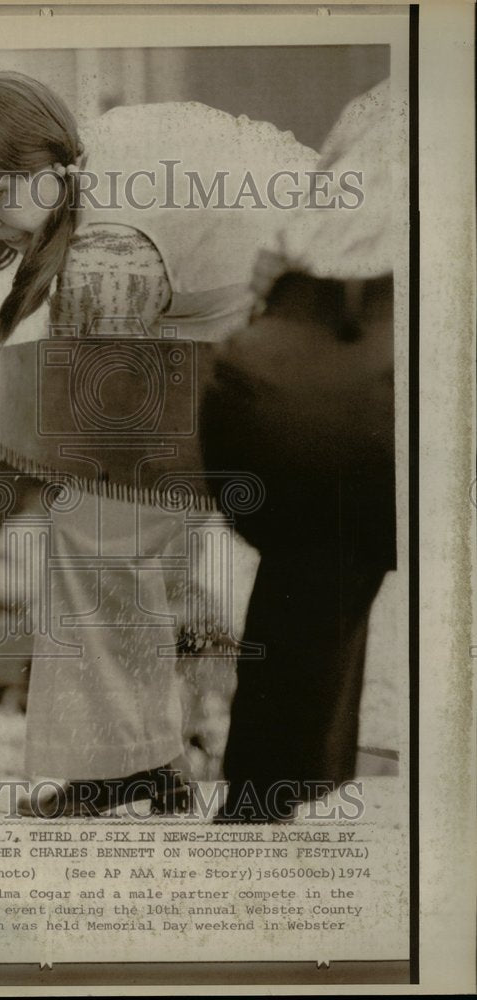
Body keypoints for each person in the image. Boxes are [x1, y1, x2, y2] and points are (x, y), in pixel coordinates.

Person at [0, 70, 320, 815]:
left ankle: (144, 762)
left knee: (105, 507)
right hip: (255, 303)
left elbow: (94, 420)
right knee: (104, 516)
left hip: (313, 313)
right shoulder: (89, 173)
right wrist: (4, 413)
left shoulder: (108, 250)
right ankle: (137, 761)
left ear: (46, 168)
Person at [200, 79, 402, 821]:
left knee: (316, 562)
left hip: (274, 385)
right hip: (383, 359)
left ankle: (261, 802)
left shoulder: (379, 103)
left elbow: (268, 274)